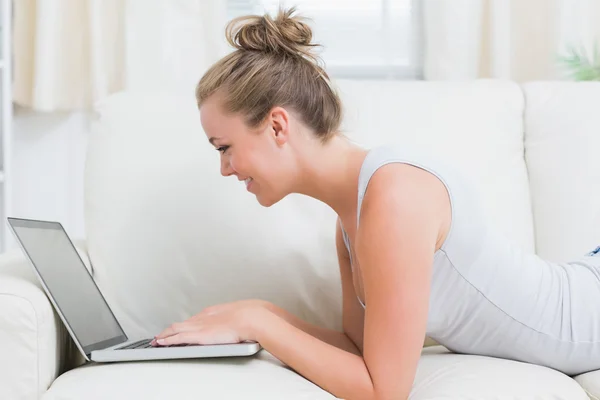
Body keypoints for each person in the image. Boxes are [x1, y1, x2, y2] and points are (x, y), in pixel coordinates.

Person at [151, 7, 600, 399]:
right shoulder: (355, 212)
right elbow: (360, 350)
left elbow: (383, 391)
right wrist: (263, 314)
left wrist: (259, 325)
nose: (225, 168)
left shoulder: (395, 197)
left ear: (277, 127)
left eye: (223, 147)